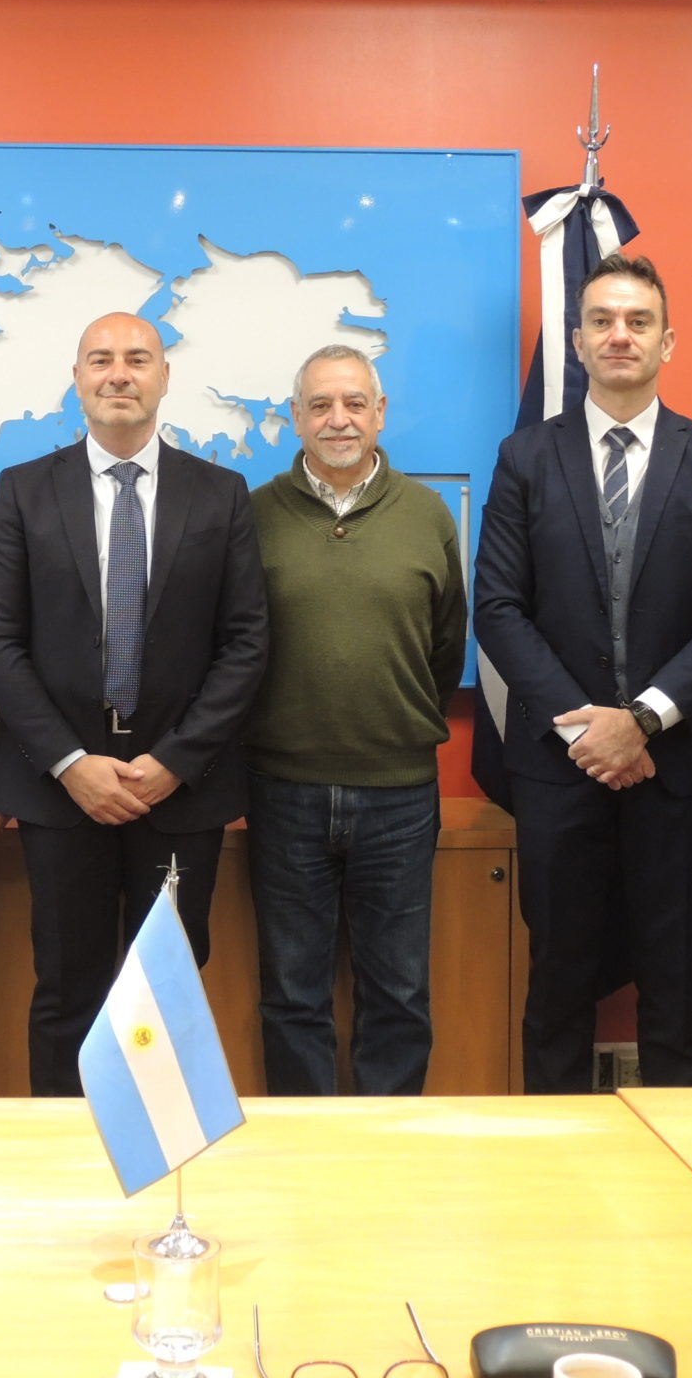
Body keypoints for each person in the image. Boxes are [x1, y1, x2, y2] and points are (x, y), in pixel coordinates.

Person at [474, 254, 692, 1094]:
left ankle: (680, 1154)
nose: (620, 335)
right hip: (558, 767)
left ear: (668, 342)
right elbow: (498, 607)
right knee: (557, 981)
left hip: (679, 767)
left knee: (676, 982)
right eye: (601, 320)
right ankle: (557, 1156)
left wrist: (640, 722)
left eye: (638, 321)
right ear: (577, 342)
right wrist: (587, 727)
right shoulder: (526, 456)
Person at [0, 312, 269, 1096]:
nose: (119, 374)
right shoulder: (24, 490)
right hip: (60, 789)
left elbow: (246, 644)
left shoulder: (221, 494)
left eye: (138, 359)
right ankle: (65, 1156)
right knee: (65, 992)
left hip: (180, 791)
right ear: (77, 379)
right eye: (100, 359)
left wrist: (175, 761)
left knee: (166, 996)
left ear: (164, 377)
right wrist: (70, 764)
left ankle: (164, 1156)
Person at [243, 343, 467, 1095]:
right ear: (295, 418)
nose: (338, 419)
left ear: (380, 413)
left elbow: (446, 643)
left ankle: (387, 1149)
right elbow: (233, 645)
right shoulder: (255, 514)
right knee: (291, 994)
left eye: (353, 404)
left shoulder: (428, 514)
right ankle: (308, 1149)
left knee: (398, 994)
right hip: (283, 791)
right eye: (320, 406)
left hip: (400, 794)